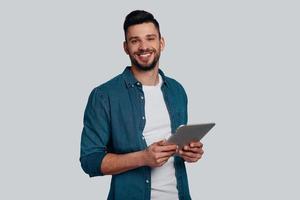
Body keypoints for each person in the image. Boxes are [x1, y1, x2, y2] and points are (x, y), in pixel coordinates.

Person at [80, 10, 204, 200]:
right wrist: (143, 158)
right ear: (126, 47)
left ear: (161, 43)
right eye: (135, 40)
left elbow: (176, 149)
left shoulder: (177, 90)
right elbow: (90, 160)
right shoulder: (104, 95)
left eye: (150, 38)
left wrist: (189, 152)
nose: (144, 47)